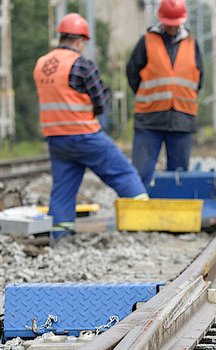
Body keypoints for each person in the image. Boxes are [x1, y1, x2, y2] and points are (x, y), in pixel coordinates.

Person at [33, 13, 147, 239]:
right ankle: (143, 222)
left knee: (63, 190)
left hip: (56, 138)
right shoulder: (82, 65)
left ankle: (60, 235)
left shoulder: (42, 64)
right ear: (79, 40)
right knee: (124, 173)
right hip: (84, 135)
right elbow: (100, 102)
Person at [126, 0, 204, 188]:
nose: (172, 27)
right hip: (149, 119)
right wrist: (148, 97)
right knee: (141, 174)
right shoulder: (147, 41)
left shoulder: (192, 44)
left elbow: (199, 78)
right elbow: (132, 72)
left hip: (182, 119)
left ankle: (174, 216)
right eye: (168, 23)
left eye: (175, 23)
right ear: (161, 19)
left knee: (178, 178)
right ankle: (138, 215)